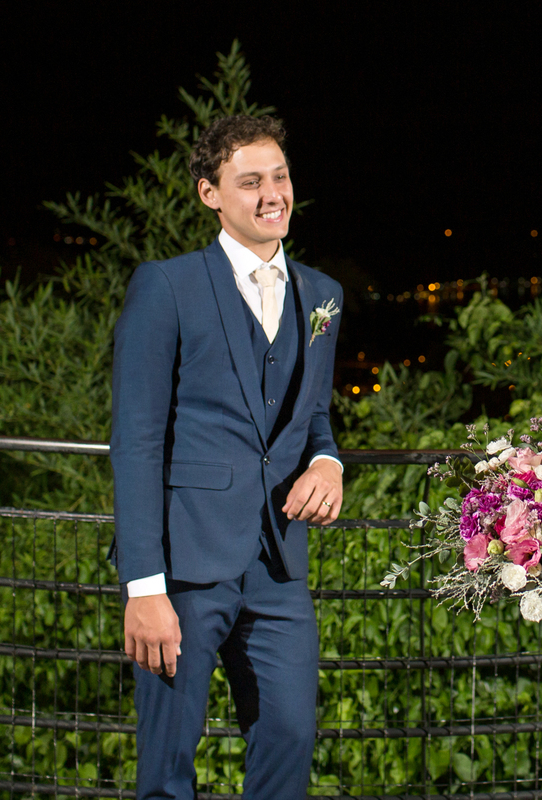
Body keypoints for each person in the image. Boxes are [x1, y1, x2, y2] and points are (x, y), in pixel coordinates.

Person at [109, 114, 345, 799]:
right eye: (250, 182)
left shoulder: (321, 295)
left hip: (279, 568)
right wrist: (144, 586)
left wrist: (328, 463)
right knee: (168, 765)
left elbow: (314, 420)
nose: (273, 194)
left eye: (280, 176)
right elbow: (137, 441)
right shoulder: (167, 286)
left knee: (291, 739)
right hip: (182, 570)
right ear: (210, 193)